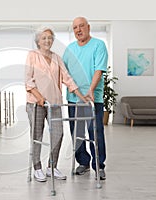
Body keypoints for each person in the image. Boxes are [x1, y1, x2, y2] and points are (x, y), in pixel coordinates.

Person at [25, 26, 87, 182]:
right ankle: (37, 168)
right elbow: (28, 80)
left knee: (58, 134)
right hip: (36, 103)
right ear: (38, 41)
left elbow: (67, 78)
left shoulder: (57, 58)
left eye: (50, 38)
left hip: (55, 103)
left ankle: (52, 167)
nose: (47, 40)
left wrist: (82, 97)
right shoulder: (32, 55)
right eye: (44, 38)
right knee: (37, 135)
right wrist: (39, 97)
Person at [62, 16, 108, 180]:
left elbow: (99, 70)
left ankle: (99, 165)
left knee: (95, 132)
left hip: (92, 98)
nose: (78, 30)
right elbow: (63, 73)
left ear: (88, 27)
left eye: (81, 26)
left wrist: (90, 90)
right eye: (75, 28)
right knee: (76, 132)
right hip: (74, 99)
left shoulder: (98, 45)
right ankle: (83, 162)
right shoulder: (69, 49)